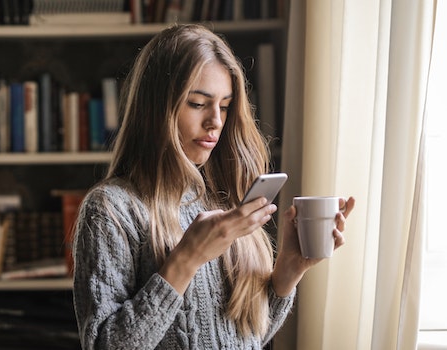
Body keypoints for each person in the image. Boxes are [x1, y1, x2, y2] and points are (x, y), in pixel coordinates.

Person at [72, 24, 356, 349]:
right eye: (197, 103)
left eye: (224, 106)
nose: (216, 122)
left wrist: (287, 274)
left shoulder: (220, 198)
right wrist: (187, 259)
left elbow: (248, 337)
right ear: (155, 109)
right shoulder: (111, 209)